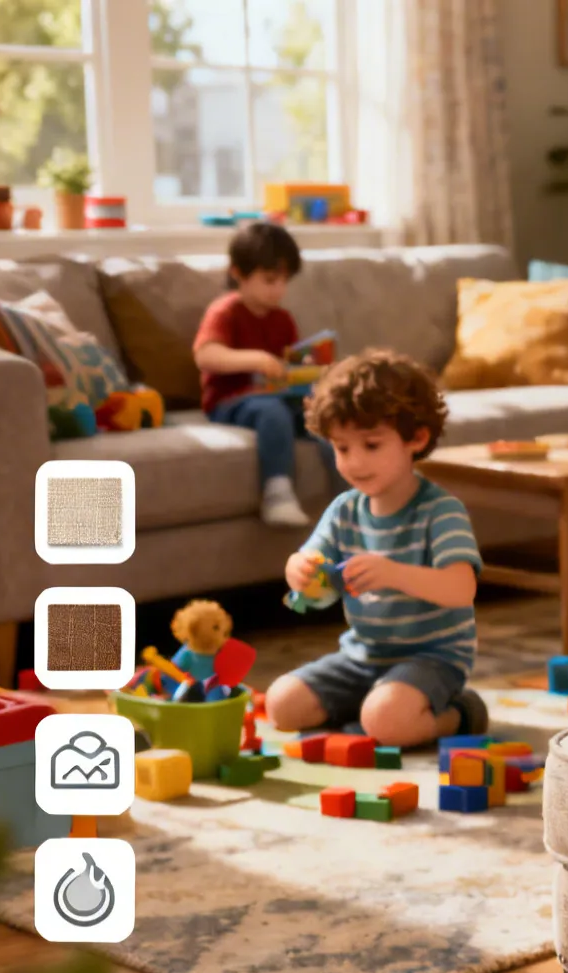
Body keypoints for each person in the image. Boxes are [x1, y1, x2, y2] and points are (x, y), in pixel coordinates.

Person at [264, 349, 488, 747]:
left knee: (387, 722)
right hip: (361, 657)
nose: (354, 463)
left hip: (433, 660)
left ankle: (460, 713)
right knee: (281, 705)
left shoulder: (440, 511)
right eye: (342, 448)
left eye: (371, 445)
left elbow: (461, 588)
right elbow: (315, 576)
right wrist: (299, 570)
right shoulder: (344, 510)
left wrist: (394, 574)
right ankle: (377, 708)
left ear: (416, 438)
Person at [194, 221, 331, 527]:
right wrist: (256, 359)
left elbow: (289, 366)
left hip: (278, 396)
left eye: (284, 281)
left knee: (327, 411)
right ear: (238, 274)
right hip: (230, 401)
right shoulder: (225, 311)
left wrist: (307, 372)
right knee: (273, 413)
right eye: (270, 280)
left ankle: (353, 497)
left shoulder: (283, 319)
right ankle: (278, 495)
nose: (278, 289)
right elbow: (205, 355)